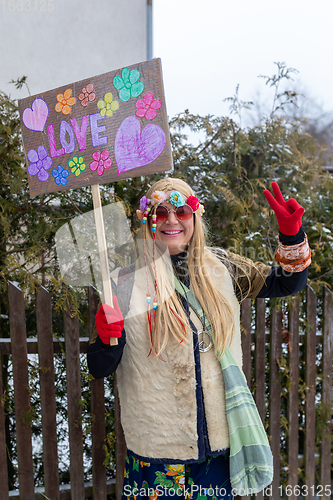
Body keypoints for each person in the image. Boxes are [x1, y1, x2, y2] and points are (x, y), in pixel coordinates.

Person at [87, 178, 311, 500]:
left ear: (195, 215)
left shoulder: (224, 268)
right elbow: (99, 367)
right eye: (160, 212)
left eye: (181, 210)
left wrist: (291, 234)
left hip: (216, 455)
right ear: (147, 219)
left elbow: (287, 284)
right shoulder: (123, 284)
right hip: (156, 456)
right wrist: (107, 340)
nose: (172, 220)